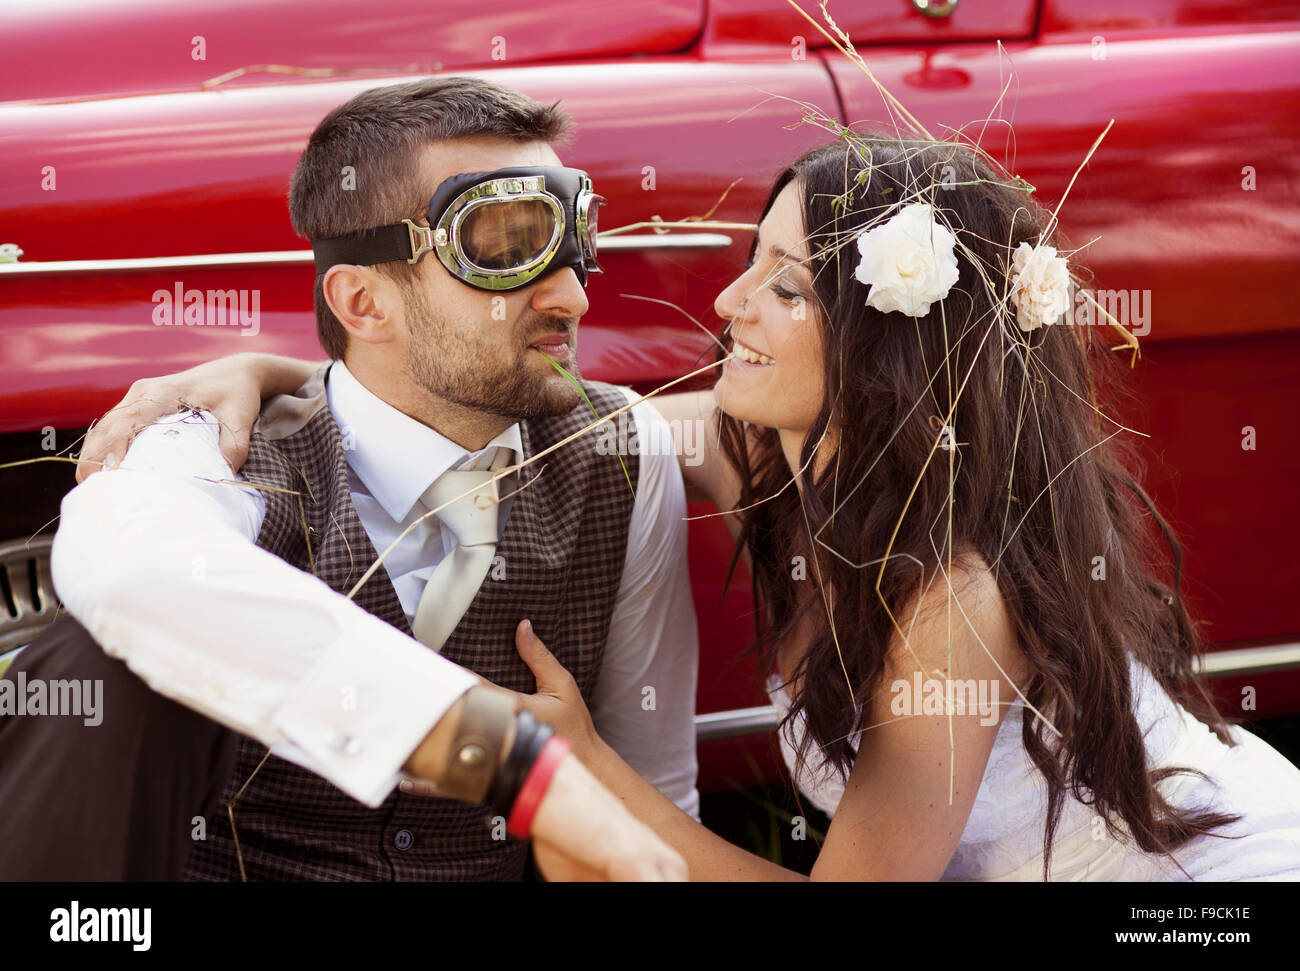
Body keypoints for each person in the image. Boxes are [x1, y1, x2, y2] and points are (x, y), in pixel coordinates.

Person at [108, 135, 1300, 880]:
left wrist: (578, 767)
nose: (728, 300)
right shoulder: (768, 461)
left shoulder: (959, 598)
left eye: (786, 284)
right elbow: (539, 402)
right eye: (751, 258)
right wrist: (277, 377)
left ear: (894, 346)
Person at [0, 76, 697, 882]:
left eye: (575, 233)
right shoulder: (217, 444)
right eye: (505, 244)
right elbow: (123, 565)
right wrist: (494, 752)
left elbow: (654, 783)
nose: (574, 294)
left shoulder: (623, 449)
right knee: (91, 662)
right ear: (362, 301)